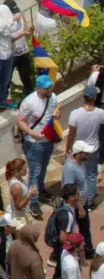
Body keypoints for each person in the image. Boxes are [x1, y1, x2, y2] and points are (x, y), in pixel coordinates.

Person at [15, 76, 58, 218]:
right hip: (33, 143)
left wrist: (57, 115)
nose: (49, 89)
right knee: (35, 171)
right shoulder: (29, 102)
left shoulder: (53, 97)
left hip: (48, 140)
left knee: (43, 167)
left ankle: (40, 190)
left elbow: (52, 114)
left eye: (50, 86)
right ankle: (33, 202)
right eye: (46, 88)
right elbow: (20, 121)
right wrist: (32, 133)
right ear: (38, 88)